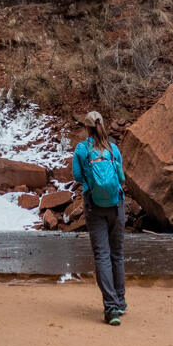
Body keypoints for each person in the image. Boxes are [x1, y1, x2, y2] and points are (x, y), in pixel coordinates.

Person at [72, 110, 127, 325]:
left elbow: (77, 176)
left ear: (87, 128)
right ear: (102, 124)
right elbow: (121, 177)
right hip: (116, 203)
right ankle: (120, 302)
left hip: (93, 204)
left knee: (103, 255)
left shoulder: (81, 149)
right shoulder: (113, 149)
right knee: (117, 254)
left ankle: (111, 308)